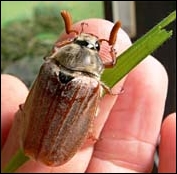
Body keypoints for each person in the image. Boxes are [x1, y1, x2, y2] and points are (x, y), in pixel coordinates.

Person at [1, 18, 176, 173]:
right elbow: (112, 63)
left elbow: (55, 50)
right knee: (89, 112)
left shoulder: (48, 68)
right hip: (56, 148)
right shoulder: (91, 83)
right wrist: (112, 50)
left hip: (32, 139)